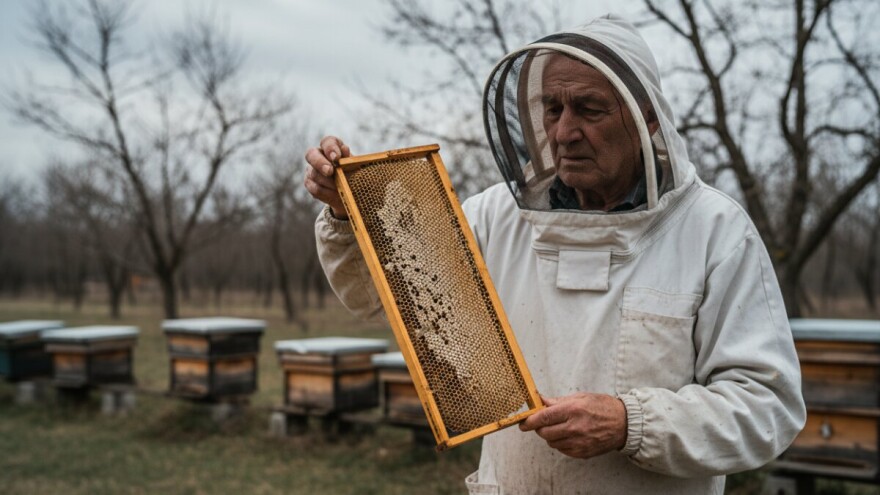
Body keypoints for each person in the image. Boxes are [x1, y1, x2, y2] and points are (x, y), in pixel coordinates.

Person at [303, 15, 805, 494]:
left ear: (646, 117)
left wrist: (632, 422)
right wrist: (348, 214)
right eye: (552, 109)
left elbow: (767, 405)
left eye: (588, 109)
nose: (564, 131)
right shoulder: (496, 216)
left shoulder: (713, 231)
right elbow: (381, 297)